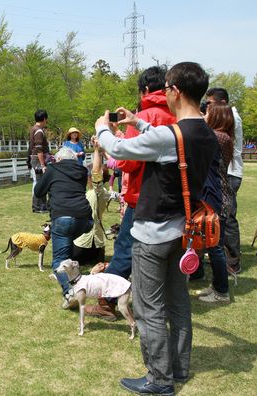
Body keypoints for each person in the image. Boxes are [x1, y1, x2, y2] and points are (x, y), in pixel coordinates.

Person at [96, 62, 219, 395]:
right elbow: (172, 146)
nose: (164, 92)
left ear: (176, 91)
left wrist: (102, 129)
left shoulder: (173, 135)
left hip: (152, 233)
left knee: (149, 308)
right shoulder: (205, 132)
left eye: (166, 87)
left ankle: (159, 379)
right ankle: (178, 368)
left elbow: (120, 150)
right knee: (178, 303)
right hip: (185, 232)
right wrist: (139, 123)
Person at [86, 66, 176, 320]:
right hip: (172, 199)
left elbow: (129, 161)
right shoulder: (177, 115)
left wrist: (115, 143)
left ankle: (107, 302)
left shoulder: (144, 115)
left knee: (125, 248)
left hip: (142, 195)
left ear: (145, 89)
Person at [34, 147, 93, 309]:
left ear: (58, 159)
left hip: (63, 217)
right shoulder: (81, 170)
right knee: (67, 243)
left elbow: (38, 192)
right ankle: (72, 274)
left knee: (59, 260)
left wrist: (47, 173)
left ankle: (69, 292)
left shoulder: (53, 168)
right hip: (86, 220)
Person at [194, 103, 235, 303]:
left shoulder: (219, 137)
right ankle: (214, 285)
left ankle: (222, 291)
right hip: (217, 196)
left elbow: (199, 132)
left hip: (219, 199)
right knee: (210, 243)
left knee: (215, 246)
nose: (204, 115)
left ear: (217, 116)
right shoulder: (221, 136)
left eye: (208, 113)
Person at [205, 87, 243, 274]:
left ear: (221, 103)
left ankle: (232, 262)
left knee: (227, 220)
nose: (207, 107)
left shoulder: (230, 119)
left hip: (229, 173)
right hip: (225, 171)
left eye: (209, 103)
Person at [71, 139, 112, 266]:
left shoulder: (97, 191)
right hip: (98, 244)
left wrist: (96, 150)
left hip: (85, 243)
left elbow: (96, 174)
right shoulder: (102, 192)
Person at [29, 109, 51, 213]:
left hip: (35, 159)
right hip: (38, 160)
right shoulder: (38, 131)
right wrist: (42, 165)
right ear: (44, 119)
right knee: (40, 183)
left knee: (41, 182)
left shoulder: (34, 128)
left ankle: (42, 205)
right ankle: (37, 206)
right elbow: (39, 149)